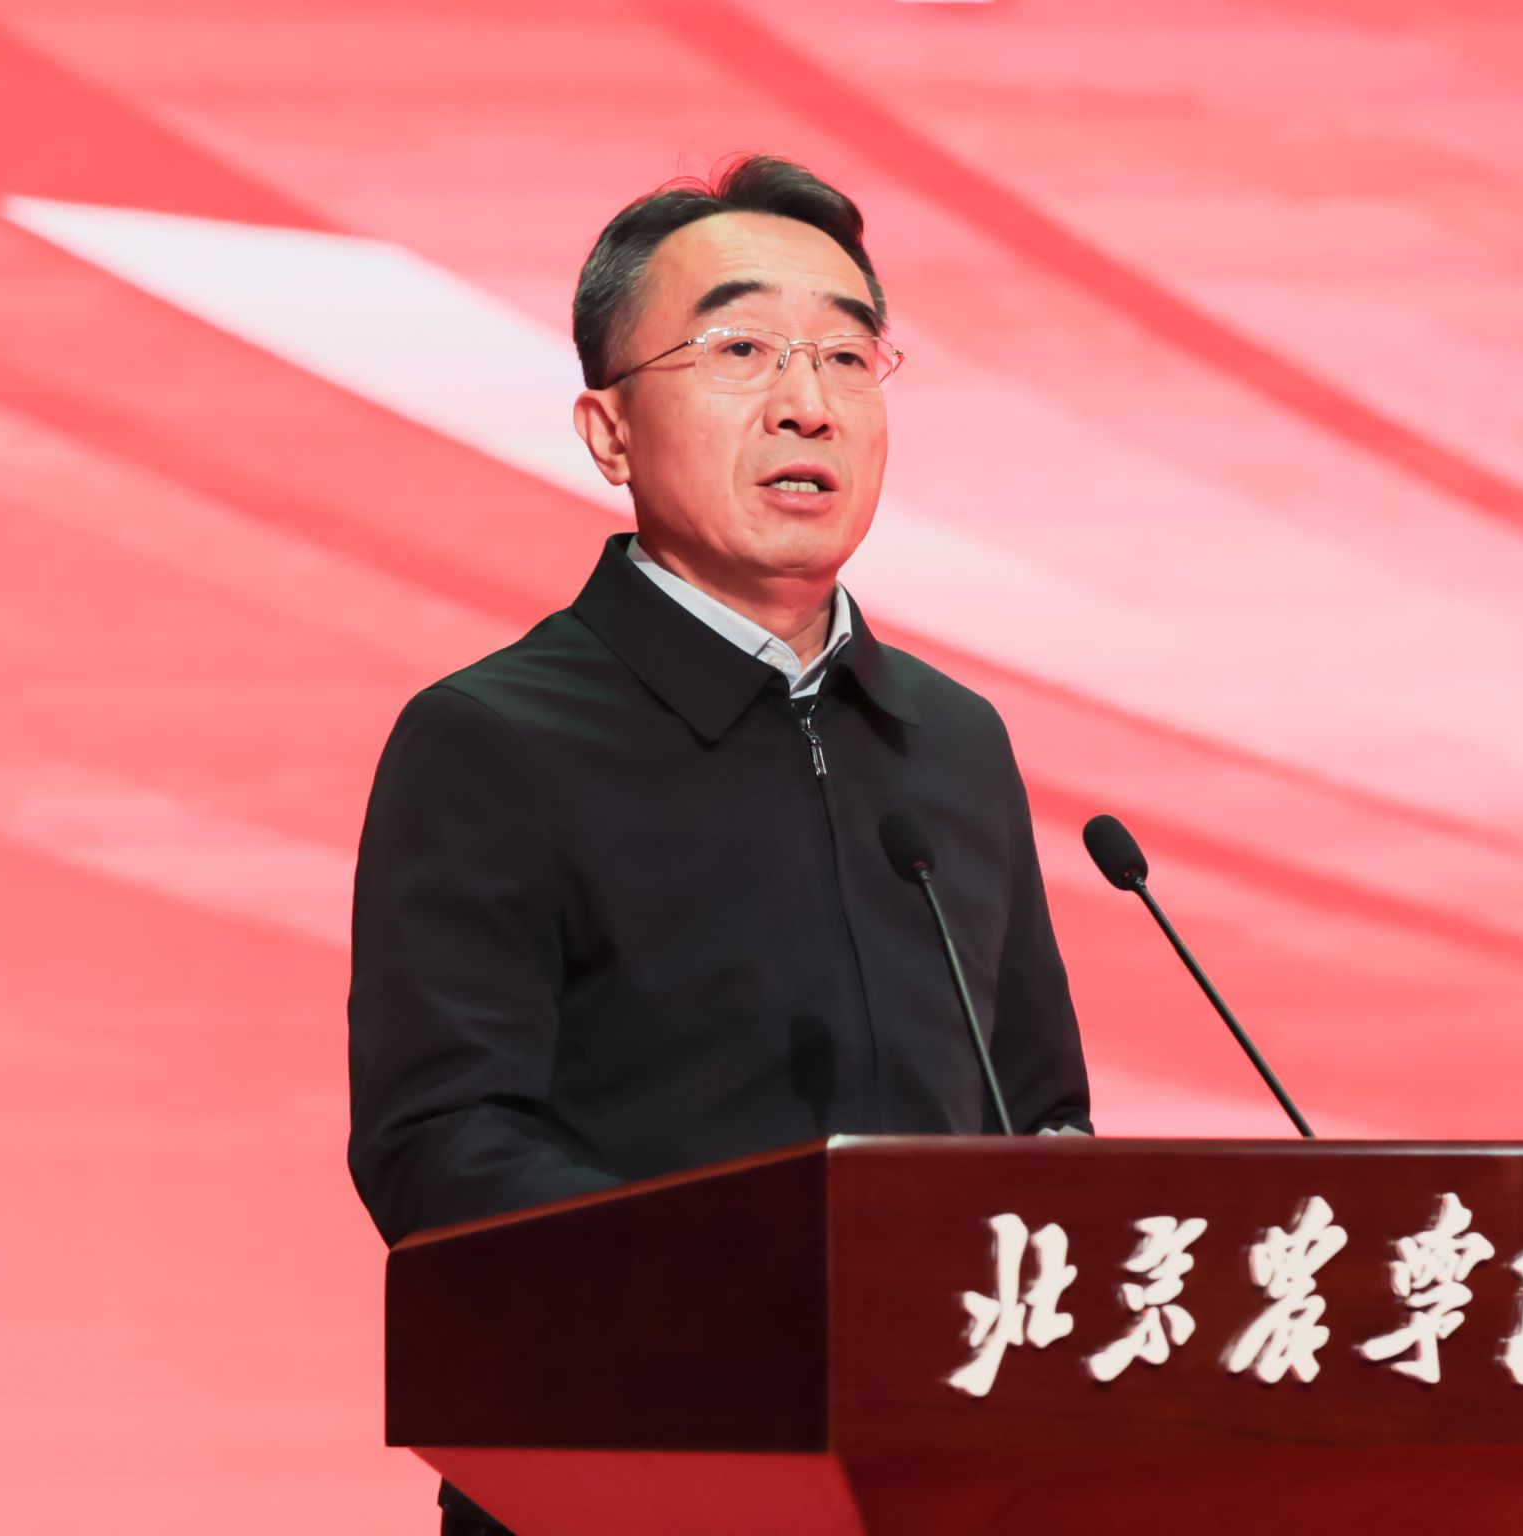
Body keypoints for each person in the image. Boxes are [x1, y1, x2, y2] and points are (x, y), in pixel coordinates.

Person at [347, 154, 1092, 1535]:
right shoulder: (494, 740)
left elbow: (1038, 1117)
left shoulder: (953, 742)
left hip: (939, 1485)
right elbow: (442, 1147)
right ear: (609, 432)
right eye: (741, 349)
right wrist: (748, 1294)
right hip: (625, 1484)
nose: (808, 401)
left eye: (847, 355)